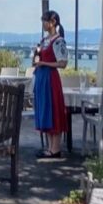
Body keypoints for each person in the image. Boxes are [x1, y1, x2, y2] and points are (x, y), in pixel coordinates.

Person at [33, 10, 69, 158]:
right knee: (45, 110)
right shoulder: (44, 40)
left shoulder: (58, 41)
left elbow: (63, 63)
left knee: (53, 110)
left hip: (50, 79)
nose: (43, 24)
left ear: (52, 22)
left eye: (45, 21)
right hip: (42, 79)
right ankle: (50, 147)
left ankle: (55, 148)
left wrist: (43, 62)